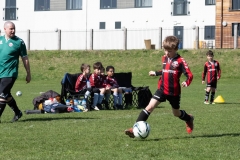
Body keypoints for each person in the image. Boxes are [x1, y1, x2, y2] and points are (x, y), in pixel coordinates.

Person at [125, 35, 194, 138]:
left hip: (174, 92)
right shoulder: (164, 58)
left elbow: (189, 75)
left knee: (176, 113)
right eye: (165, 50)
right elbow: (165, 71)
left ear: (176, 49)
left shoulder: (180, 61)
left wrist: (186, 82)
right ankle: (134, 129)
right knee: (149, 107)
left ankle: (188, 118)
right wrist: (156, 73)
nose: (166, 53)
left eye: (169, 51)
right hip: (162, 89)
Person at [0, 21, 31, 122]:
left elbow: (25, 58)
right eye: (11, 29)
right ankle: (18, 113)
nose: (13, 31)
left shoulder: (19, 42)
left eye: (14, 29)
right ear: (5, 29)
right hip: (0, 72)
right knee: (6, 94)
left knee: (2, 94)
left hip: (10, 73)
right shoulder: (0, 40)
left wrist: (28, 73)